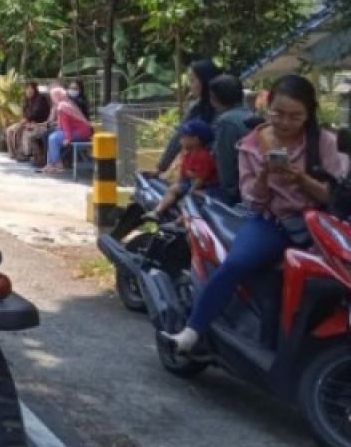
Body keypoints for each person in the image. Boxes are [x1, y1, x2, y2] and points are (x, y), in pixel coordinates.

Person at [162, 74, 350, 354]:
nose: (285, 122)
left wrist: (301, 180)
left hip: (322, 224)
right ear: (267, 107)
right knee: (236, 264)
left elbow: (336, 196)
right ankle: (191, 331)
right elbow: (253, 202)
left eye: (295, 116)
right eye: (278, 113)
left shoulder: (324, 143)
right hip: (274, 223)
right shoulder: (251, 145)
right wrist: (263, 176)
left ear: (309, 114)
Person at [154, 59, 221, 176]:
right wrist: (161, 167)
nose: (190, 86)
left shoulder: (223, 107)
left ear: (205, 82)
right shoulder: (196, 107)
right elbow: (178, 136)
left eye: (192, 80)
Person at [150, 119, 218, 220]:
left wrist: (191, 191)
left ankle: (183, 220)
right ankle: (158, 211)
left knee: (192, 199)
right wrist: (179, 184)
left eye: (184, 137)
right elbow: (183, 173)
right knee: (173, 189)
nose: (180, 139)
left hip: (205, 186)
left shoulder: (204, 156)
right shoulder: (187, 154)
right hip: (190, 182)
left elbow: (201, 178)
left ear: (195, 140)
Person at [208, 73, 254, 204]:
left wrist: (229, 194)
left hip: (237, 194)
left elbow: (226, 162)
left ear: (215, 99)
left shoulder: (226, 122)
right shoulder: (250, 116)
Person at [41, 85, 92, 174]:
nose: (52, 98)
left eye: (52, 96)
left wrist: (67, 138)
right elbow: (64, 124)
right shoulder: (66, 103)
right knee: (52, 136)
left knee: (53, 138)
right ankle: (51, 163)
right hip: (82, 131)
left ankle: (56, 164)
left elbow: (66, 124)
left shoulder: (63, 106)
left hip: (81, 132)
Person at [6, 80, 51, 162]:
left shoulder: (40, 98)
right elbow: (24, 114)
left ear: (35, 89)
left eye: (31, 88)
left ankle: (25, 154)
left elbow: (35, 113)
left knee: (25, 131)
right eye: (27, 88)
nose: (29, 90)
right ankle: (13, 154)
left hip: (40, 124)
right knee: (9, 130)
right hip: (28, 123)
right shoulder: (26, 100)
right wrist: (22, 123)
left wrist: (23, 123)